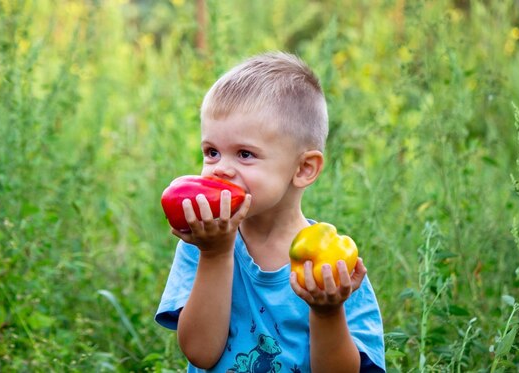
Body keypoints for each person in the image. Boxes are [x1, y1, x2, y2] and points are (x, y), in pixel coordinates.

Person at [155, 52, 385, 372]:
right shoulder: (202, 242)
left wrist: (327, 312)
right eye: (212, 152)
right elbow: (200, 352)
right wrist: (216, 254)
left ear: (304, 169)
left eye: (245, 154)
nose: (220, 169)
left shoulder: (331, 264)